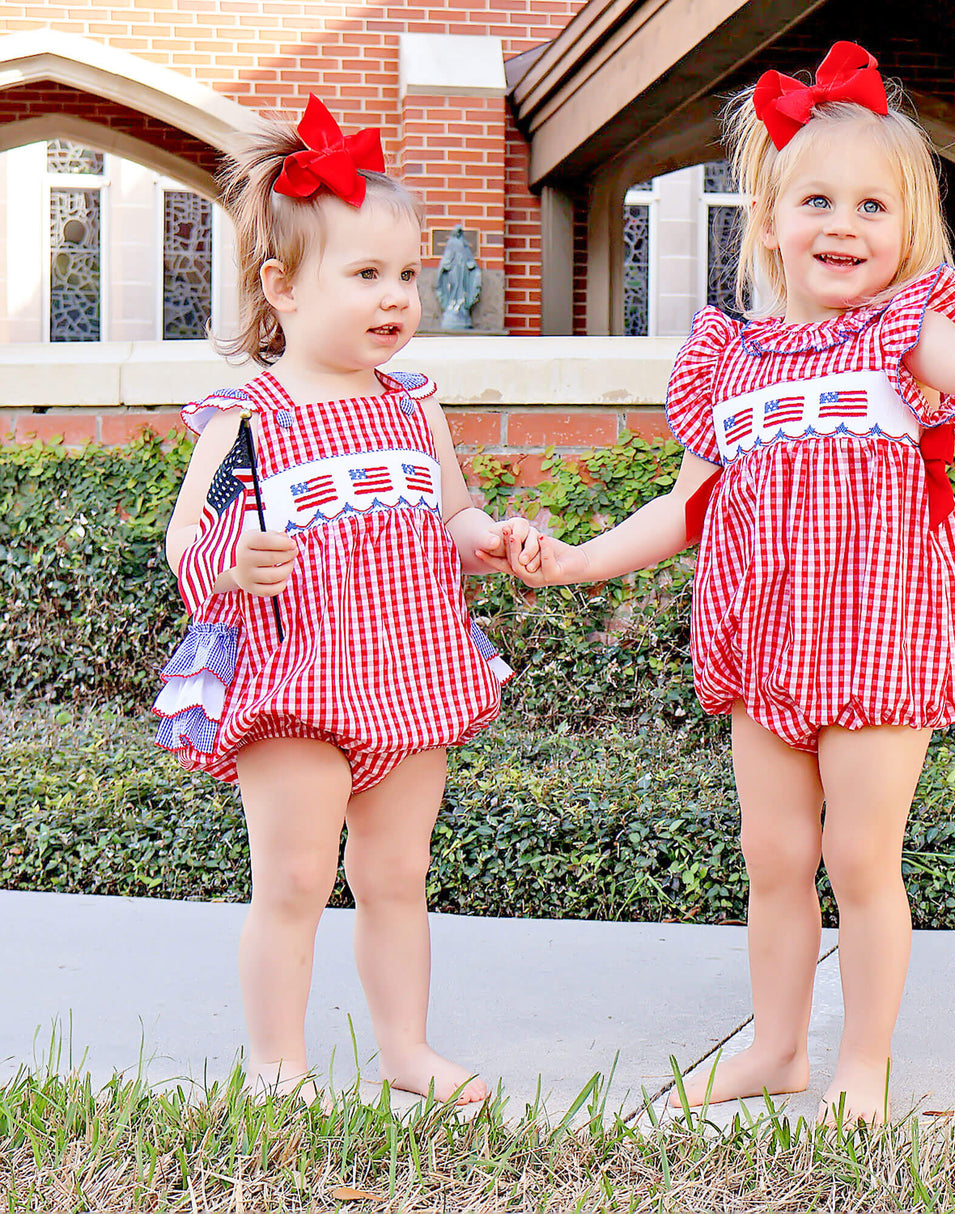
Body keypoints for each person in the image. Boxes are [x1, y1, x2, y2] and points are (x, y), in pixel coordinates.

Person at [506, 43, 955, 1123]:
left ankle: (858, 1061)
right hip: (763, 639)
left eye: (872, 205)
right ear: (766, 221)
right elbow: (688, 505)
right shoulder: (732, 359)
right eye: (815, 199)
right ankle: (775, 1045)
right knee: (772, 852)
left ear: (908, 231)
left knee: (858, 853)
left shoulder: (913, 330)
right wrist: (581, 558)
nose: (841, 225)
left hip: (876, 631)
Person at [153, 95, 538, 1104]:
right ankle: (278, 1064)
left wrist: (488, 539)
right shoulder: (252, 418)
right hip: (297, 678)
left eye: (405, 275)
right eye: (364, 274)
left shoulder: (411, 404)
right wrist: (238, 558)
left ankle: (405, 1049)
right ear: (280, 286)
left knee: (396, 875)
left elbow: (449, 509)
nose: (395, 297)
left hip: (408, 672)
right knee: (290, 881)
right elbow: (186, 541)